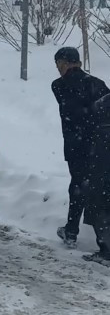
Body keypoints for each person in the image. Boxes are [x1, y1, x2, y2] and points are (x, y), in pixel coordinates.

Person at [52, 46, 110, 248]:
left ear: (65, 64)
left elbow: (74, 108)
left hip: (76, 146)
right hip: (100, 147)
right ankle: (76, 232)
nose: (58, 68)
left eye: (59, 64)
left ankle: (73, 232)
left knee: (78, 187)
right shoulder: (97, 84)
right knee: (97, 189)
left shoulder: (58, 85)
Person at [84, 92, 110, 264]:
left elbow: (98, 160)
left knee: (99, 210)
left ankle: (106, 251)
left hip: (101, 177)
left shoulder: (102, 132)